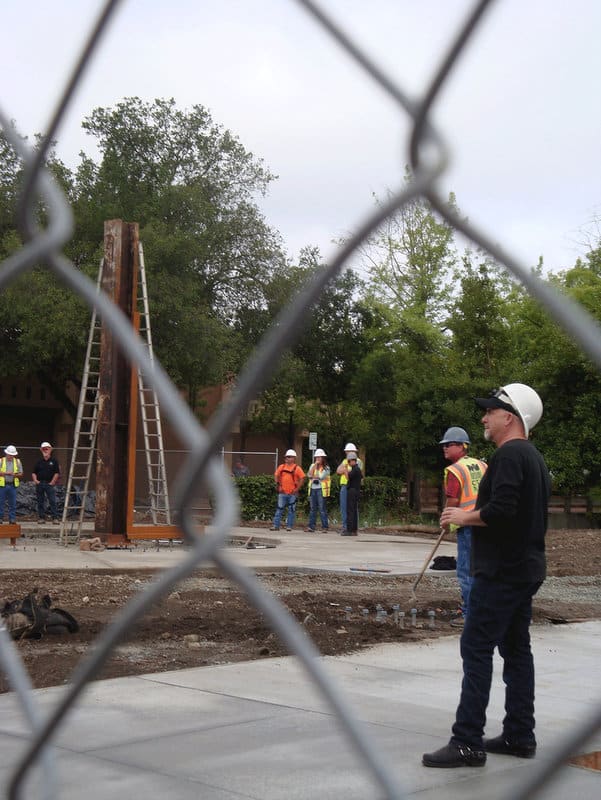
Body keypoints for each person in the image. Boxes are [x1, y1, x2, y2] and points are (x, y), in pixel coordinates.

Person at [423, 383, 550, 769]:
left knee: (476, 648)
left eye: (490, 411)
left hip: (500, 573)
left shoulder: (510, 455)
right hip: (524, 569)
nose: (484, 417)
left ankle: (467, 741)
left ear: (509, 417)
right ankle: (519, 734)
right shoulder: (533, 458)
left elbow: (504, 509)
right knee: (516, 650)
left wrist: (464, 516)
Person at [439, 426, 487, 626]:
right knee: (482, 569)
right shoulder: (482, 465)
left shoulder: (455, 470)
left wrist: (447, 522)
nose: (445, 448)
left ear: (462, 446)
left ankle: (469, 613)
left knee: (465, 570)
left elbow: (453, 500)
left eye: (449, 445)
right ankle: (480, 609)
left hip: (467, 525)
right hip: (484, 523)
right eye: (444, 445)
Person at [271, 449, 305, 531]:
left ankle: (289, 526)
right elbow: (276, 475)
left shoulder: (297, 468)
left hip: (292, 493)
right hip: (282, 492)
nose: (287, 458)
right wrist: (279, 485)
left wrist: (297, 489)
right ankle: (276, 526)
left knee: (291, 511)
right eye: (286, 457)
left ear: (293, 458)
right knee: (279, 509)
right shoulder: (281, 467)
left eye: (289, 457)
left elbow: (302, 478)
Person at [336, 442, 363, 533]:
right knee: (344, 508)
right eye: (346, 451)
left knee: (352, 508)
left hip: (352, 487)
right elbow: (338, 471)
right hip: (345, 486)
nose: (347, 453)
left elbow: (349, 474)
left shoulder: (357, 461)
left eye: (349, 451)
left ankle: (352, 528)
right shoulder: (346, 460)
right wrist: (344, 470)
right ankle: (346, 526)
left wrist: (345, 470)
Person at [32, 442, 61, 524]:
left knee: (52, 501)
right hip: (40, 484)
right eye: (44, 449)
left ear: (50, 450)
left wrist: (52, 482)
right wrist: (36, 481)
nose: (45, 450)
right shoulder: (39, 462)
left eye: (47, 448)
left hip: (49, 484)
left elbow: (57, 473)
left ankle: (55, 518)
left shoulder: (54, 461)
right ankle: (41, 518)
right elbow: (34, 472)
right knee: (40, 501)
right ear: (41, 450)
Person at [305, 448, 330, 532]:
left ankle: (325, 527)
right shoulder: (313, 466)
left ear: (323, 458)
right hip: (312, 489)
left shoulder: (326, 468)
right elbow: (309, 474)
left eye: (319, 457)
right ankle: (311, 526)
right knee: (312, 509)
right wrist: (315, 465)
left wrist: (314, 476)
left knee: (322, 508)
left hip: (321, 489)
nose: (318, 459)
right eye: (316, 457)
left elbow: (321, 476)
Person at [0, 445, 23, 524]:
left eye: (12, 455)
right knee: (1, 502)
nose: (11, 456)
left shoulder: (17, 462)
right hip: (2, 485)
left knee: (12, 503)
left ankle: (12, 519)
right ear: (6, 453)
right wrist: (6, 473)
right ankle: (0, 518)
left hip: (13, 485)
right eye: (10, 454)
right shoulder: (1, 461)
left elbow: (21, 473)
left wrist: (14, 475)